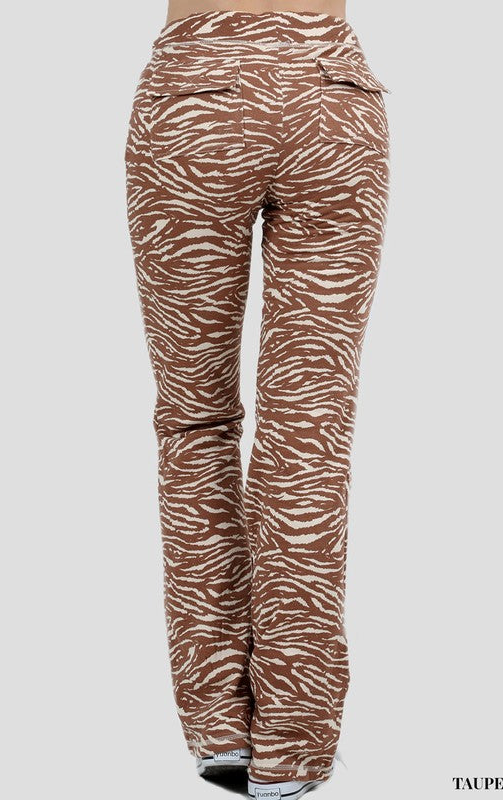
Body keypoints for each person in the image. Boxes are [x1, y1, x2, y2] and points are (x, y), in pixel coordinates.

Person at [125, 2, 390, 798]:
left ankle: (219, 726)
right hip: (334, 97)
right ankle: (295, 743)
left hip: (192, 101)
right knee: (310, 430)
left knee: (194, 419)